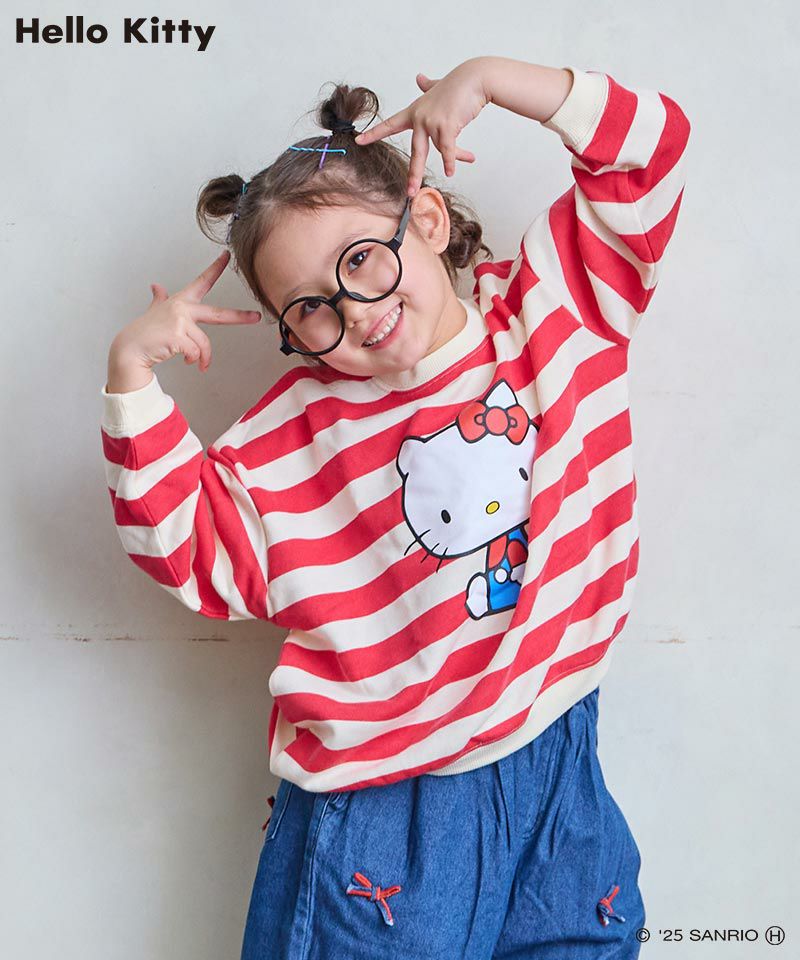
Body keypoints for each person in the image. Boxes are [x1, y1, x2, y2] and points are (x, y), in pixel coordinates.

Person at [100, 56, 690, 959]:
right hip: (389, 802)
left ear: (428, 218)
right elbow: (190, 552)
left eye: (362, 259)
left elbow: (651, 151)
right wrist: (132, 379)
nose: (355, 310)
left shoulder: (555, 310)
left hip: (561, 757)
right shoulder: (292, 437)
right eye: (311, 308)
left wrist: (491, 79)